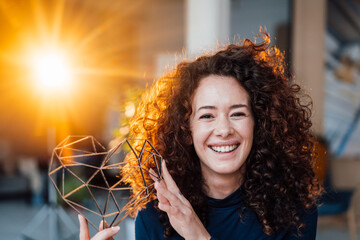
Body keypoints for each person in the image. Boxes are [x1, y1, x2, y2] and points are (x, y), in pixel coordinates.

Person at [79, 31, 321, 240]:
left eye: (237, 114)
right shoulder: (155, 216)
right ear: (186, 128)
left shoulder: (295, 211)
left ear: (260, 122)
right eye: (207, 116)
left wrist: (197, 235)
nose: (224, 130)